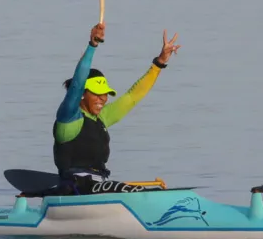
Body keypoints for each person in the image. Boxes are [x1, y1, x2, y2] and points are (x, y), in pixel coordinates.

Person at [53, 22, 181, 194]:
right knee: (136, 192)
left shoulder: (102, 117)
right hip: (74, 189)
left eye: (105, 94)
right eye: (97, 93)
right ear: (83, 93)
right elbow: (77, 83)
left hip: (98, 186)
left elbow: (132, 97)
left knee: (145, 190)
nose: (102, 99)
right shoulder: (68, 118)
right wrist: (93, 45)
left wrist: (159, 63)